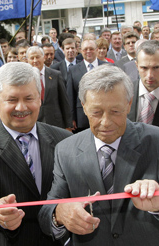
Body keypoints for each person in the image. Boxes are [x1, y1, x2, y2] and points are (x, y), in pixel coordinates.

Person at [39, 64, 159, 245]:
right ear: (84, 107)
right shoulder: (66, 150)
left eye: (115, 111)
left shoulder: (155, 141)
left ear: (129, 104)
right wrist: (60, 214)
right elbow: (48, 210)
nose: (106, 122)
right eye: (96, 112)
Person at [0, 62, 72, 246]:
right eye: (12, 100)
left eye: (29, 98)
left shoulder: (64, 140)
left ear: (40, 98)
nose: (21, 108)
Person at [26, 46, 72, 129]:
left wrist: (68, 125)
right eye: (32, 58)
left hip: (56, 123)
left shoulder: (55, 75)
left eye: (37, 57)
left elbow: (64, 101)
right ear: (27, 60)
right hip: (35, 123)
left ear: (43, 58)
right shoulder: (25, 79)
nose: (35, 60)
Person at [67, 39, 107, 132]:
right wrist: (71, 118)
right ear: (80, 51)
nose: (88, 51)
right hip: (81, 117)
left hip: (104, 113)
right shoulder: (73, 70)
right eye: (85, 49)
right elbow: (70, 95)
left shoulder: (107, 67)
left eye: (91, 49)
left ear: (96, 49)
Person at [128, 40, 159, 126]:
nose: (150, 75)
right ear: (137, 66)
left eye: (156, 67)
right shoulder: (124, 92)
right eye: (144, 68)